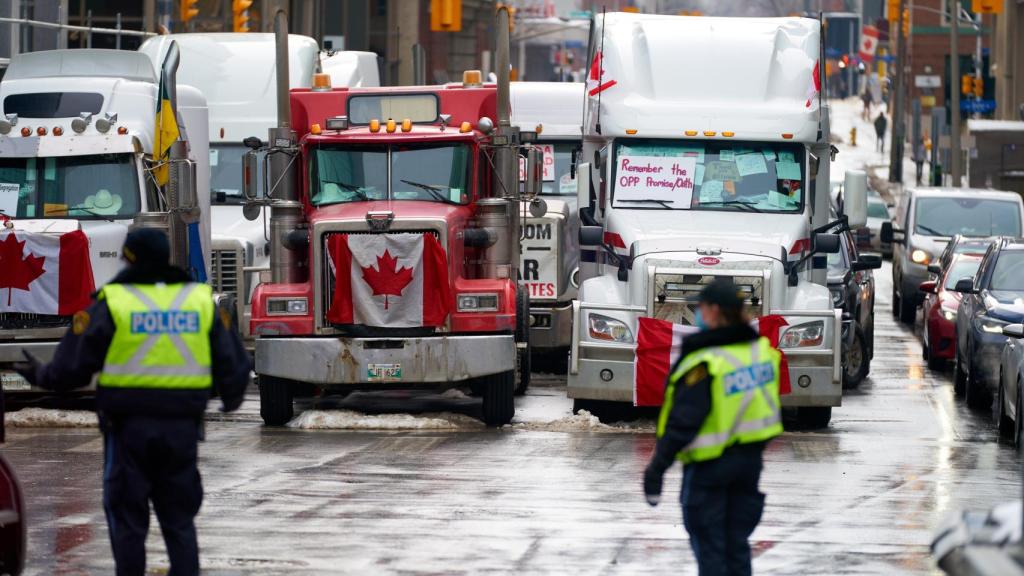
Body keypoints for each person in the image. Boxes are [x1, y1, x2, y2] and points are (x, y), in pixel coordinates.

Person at [13, 228, 250, 576]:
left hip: (128, 432)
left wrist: (39, 375)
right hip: (181, 430)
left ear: (130, 258)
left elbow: (74, 367)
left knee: (127, 520)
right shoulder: (198, 300)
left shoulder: (114, 301)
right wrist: (231, 398)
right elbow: (234, 360)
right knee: (179, 521)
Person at [643, 279, 783, 576]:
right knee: (736, 548)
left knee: (711, 552)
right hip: (749, 466)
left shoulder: (706, 362)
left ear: (714, 311)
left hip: (710, 469)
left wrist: (656, 469)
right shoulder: (759, 352)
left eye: (701, 307)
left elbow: (684, 422)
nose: (697, 313)